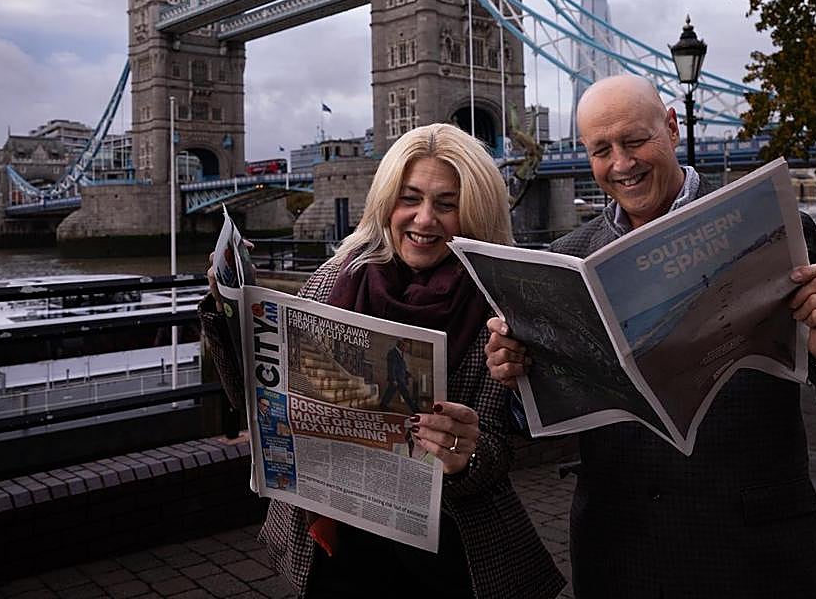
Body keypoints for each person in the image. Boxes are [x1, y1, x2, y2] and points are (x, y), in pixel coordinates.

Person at [485, 75, 816, 599]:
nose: (621, 164)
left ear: (672, 127)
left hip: (755, 554)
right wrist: (518, 379)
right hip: (619, 556)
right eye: (600, 150)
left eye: (635, 141)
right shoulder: (563, 261)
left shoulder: (767, 224)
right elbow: (527, 427)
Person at [199, 122, 564, 599]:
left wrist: (465, 457)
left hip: (447, 547)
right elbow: (252, 396)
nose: (424, 219)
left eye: (447, 204)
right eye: (409, 198)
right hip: (334, 543)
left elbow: (498, 448)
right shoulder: (335, 278)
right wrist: (227, 308)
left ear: (476, 212)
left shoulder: (500, 306)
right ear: (385, 201)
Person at [380, 338, 419, 412]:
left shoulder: (400, 354)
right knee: (407, 396)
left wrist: (410, 375)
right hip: (397, 380)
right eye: (406, 346)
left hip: (400, 379)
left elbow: (401, 369)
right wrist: (393, 379)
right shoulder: (393, 353)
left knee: (389, 393)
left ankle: (383, 405)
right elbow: (391, 367)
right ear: (401, 344)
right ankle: (416, 411)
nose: (407, 348)